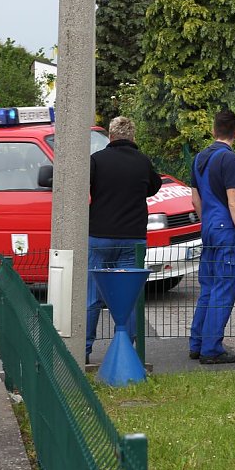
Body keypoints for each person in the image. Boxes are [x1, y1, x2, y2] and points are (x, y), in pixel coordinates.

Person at [86, 116, 162, 363]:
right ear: (132, 136)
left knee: (93, 296)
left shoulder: (96, 160)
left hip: (99, 236)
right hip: (132, 240)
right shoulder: (143, 162)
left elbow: (85, 188)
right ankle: (125, 351)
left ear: (110, 136)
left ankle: (83, 351)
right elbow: (154, 187)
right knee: (129, 296)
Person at [188, 110, 235, 364]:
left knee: (208, 286)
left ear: (213, 130)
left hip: (208, 227)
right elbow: (234, 200)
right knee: (224, 289)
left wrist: (207, 222)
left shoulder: (199, 158)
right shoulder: (229, 159)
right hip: (226, 230)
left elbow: (195, 199)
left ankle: (197, 343)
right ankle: (212, 349)